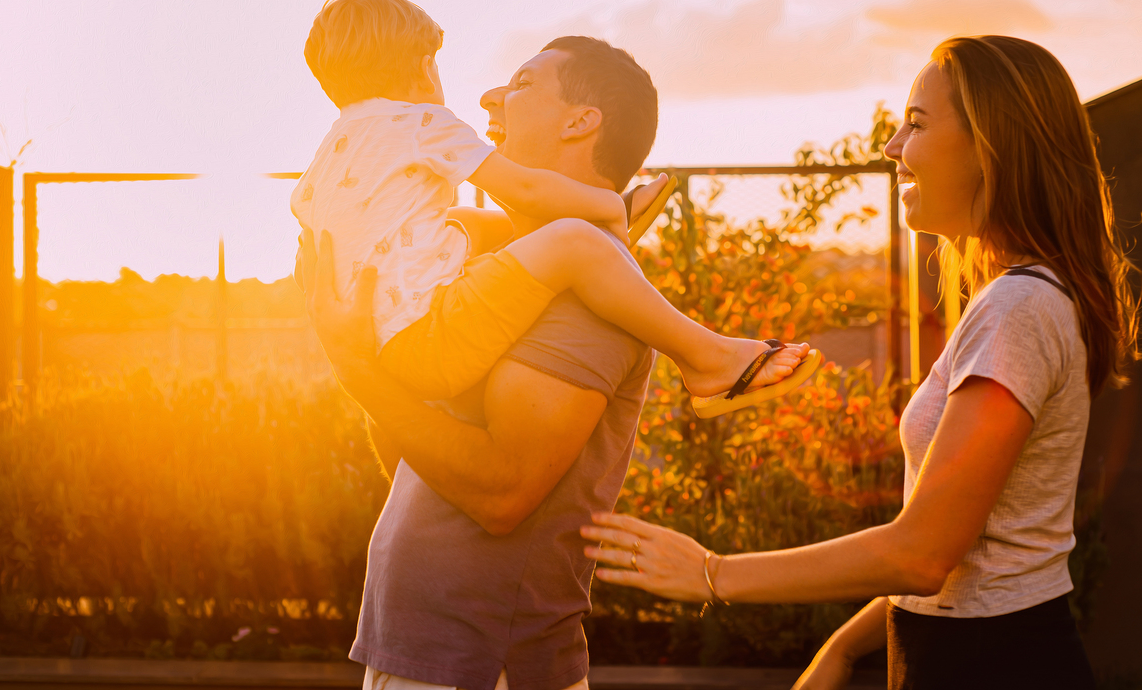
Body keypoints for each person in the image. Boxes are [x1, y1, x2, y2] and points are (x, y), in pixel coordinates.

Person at [579, 35, 1142, 690]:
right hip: (971, 648)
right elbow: (966, 547)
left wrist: (713, 571)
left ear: (992, 142)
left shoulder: (1018, 306)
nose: (893, 146)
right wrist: (845, 647)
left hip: (988, 663)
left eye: (917, 122)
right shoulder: (1024, 298)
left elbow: (923, 552)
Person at [298, 36, 807, 690]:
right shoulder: (497, 274)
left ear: (580, 121)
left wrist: (355, 365)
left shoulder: (587, 290)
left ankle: (711, 358)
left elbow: (500, 493)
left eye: (521, 83)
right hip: (428, 652)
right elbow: (409, 459)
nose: (487, 98)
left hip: (483, 662)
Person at [294, 0, 817, 418]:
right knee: (575, 243)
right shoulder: (423, 124)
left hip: (383, 345)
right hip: (431, 333)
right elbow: (522, 189)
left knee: (456, 223)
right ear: (423, 66)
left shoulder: (327, 157)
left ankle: (581, 227)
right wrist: (605, 207)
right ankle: (708, 358)